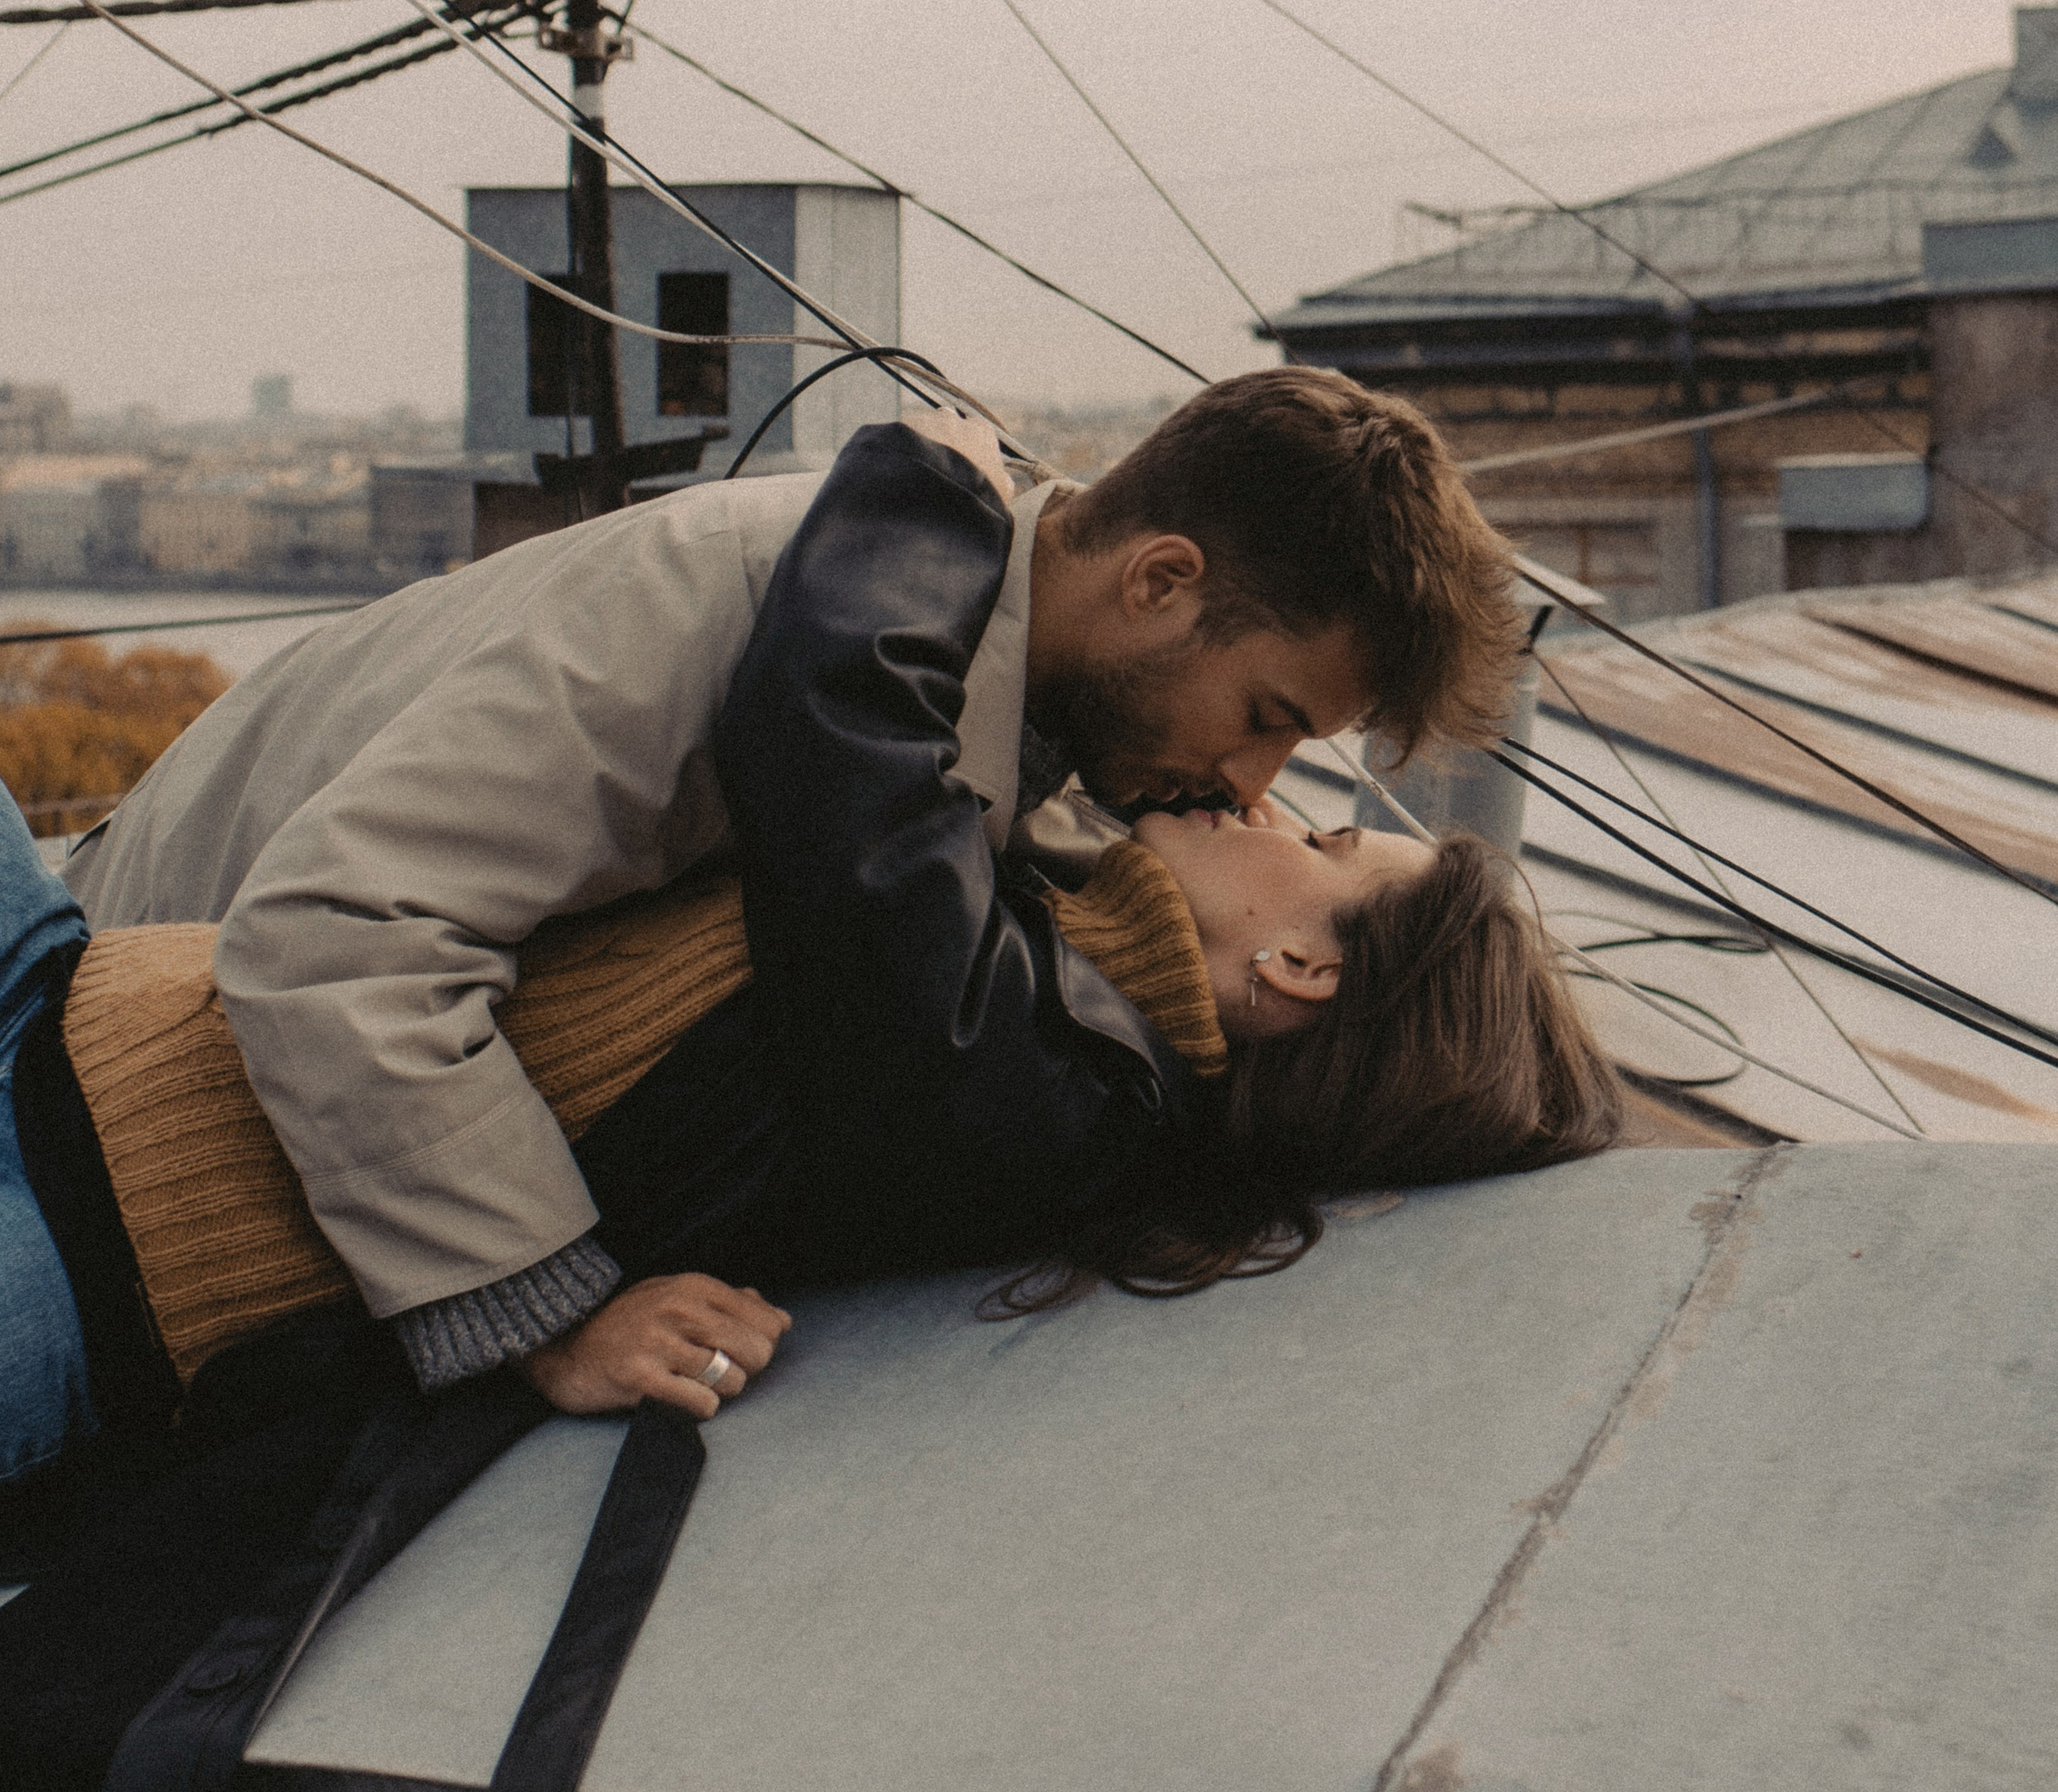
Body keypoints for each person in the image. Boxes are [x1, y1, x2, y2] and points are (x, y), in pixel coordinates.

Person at [2, 410, 1616, 1478]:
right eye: (1266, 721)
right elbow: (342, 932)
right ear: (1156, 579)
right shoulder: (765, 616)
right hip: (117, 1006)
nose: (1250, 790)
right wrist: (541, 1303)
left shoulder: (958, 726)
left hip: (134, 1096)